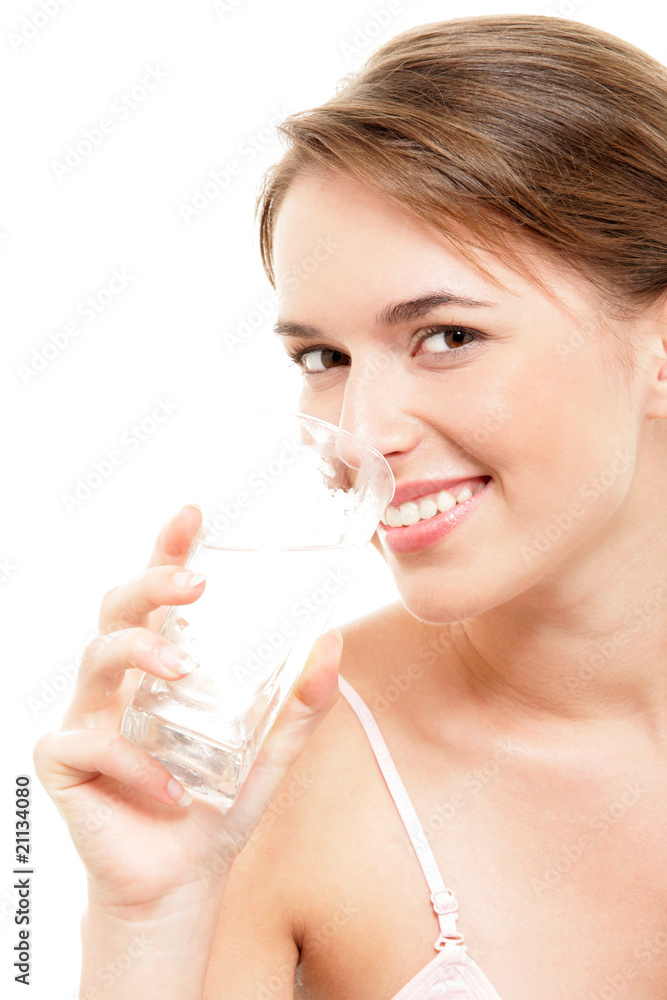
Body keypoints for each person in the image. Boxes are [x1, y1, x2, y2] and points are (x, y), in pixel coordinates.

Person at [34, 13, 667, 999]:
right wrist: (146, 923)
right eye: (321, 359)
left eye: (445, 335)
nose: (360, 432)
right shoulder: (278, 782)